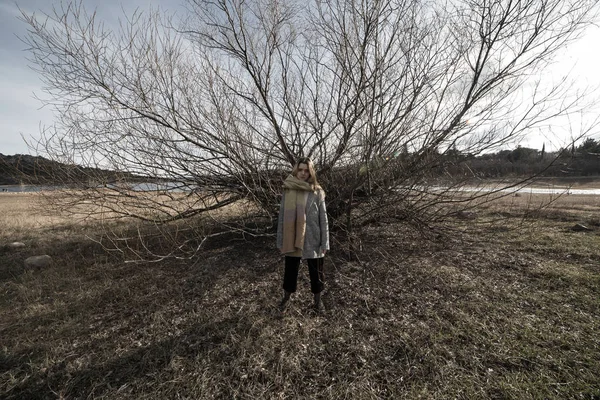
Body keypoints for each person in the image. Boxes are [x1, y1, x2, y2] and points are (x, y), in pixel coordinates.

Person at [276, 157, 329, 311]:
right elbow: (281, 217)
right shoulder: (288, 189)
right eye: (300, 169)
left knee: (316, 272)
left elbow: (324, 219)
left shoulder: (317, 191)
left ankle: (318, 302)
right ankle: (286, 298)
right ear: (296, 170)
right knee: (290, 271)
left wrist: (325, 242)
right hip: (292, 237)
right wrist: (280, 241)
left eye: (307, 170)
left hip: (313, 238)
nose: (303, 173)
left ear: (311, 172)